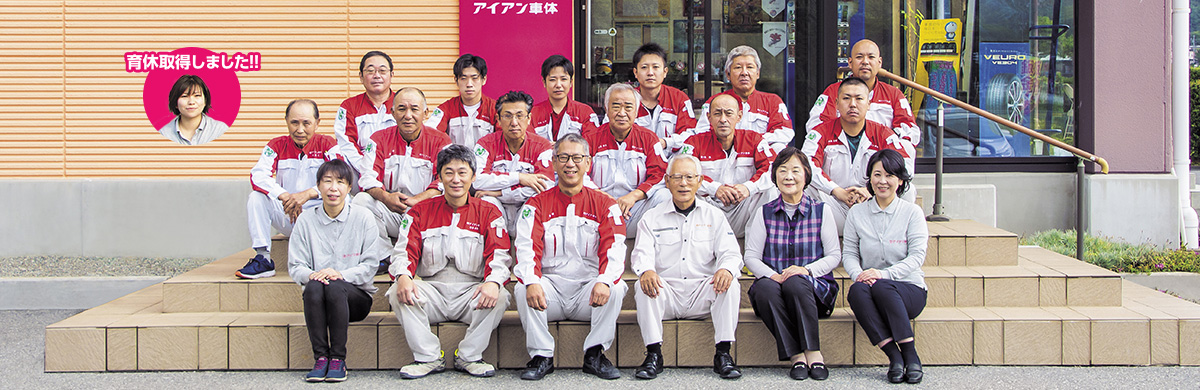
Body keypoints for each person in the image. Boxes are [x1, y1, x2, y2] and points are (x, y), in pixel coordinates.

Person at [387, 145, 513, 379]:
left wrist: (493, 282)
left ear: (473, 177)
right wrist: (403, 276)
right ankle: (428, 357)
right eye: (449, 172)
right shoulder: (419, 212)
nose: (456, 179)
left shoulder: (488, 212)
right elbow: (404, 250)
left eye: (462, 173)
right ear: (439, 177)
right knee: (397, 290)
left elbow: (500, 254)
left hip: (470, 291)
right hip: (432, 289)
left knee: (501, 295)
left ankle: (469, 356)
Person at [512, 133, 628, 381]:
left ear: (588, 163)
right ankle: (542, 356)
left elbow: (615, 248)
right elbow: (526, 247)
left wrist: (604, 281)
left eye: (577, 157)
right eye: (563, 157)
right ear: (553, 162)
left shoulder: (605, 204)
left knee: (617, 287)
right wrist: (532, 281)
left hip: (589, 292)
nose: (570, 164)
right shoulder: (535, 204)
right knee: (524, 287)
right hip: (550, 292)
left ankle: (595, 355)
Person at [629, 154, 744, 380]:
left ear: (700, 181)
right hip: (666, 292)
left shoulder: (714, 215)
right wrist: (647, 270)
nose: (683, 183)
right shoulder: (651, 217)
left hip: (702, 290)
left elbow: (731, 253)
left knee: (731, 283)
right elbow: (641, 253)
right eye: (678, 177)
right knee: (643, 284)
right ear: (667, 180)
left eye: (690, 177)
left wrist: (725, 269)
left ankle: (723, 354)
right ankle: (653, 354)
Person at [743, 147, 840, 381]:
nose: (789, 176)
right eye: (783, 170)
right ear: (775, 176)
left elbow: (834, 256)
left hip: (814, 292)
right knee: (764, 287)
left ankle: (813, 353)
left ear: (806, 175)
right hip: (775, 292)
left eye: (795, 170)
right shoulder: (763, 213)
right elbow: (751, 257)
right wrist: (773, 276)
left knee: (797, 282)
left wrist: (806, 271)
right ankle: (796, 355)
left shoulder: (821, 211)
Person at [288, 159, 387, 383]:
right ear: (319, 186)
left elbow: (371, 265)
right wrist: (311, 274)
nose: (334, 188)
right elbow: (296, 266)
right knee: (314, 286)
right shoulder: (305, 220)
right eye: (328, 181)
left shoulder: (363, 217)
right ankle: (321, 358)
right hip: (319, 295)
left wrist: (341, 275)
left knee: (333, 286)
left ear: (349, 187)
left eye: (340, 182)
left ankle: (338, 359)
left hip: (356, 299)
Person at [842, 149, 928, 385]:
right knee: (857, 291)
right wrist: (859, 275)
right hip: (871, 287)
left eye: (889, 175)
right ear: (869, 178)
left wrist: (882, 274)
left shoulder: (912, 213)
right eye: (877, 174)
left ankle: (911, 355)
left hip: (909, 290)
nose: (882, 181)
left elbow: (917, 257)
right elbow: (849, 253)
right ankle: (895, 357)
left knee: (882, 287)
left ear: (900, 180)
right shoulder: (857, 213)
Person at [239, 99, 341, 279]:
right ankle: (263, 259)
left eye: (306, 123)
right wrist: (284, 196)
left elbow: (339, 176)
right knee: (256, 197)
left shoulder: (328, 144)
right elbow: (258, 175)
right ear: (286, 121)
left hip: (319, 215)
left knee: (346, 198)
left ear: (317, 123)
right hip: (289, 213)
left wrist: (308, 194)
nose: (300, 129)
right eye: (294, 122)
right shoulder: (276, 145)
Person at [352, 87, 451, 270]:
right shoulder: (379, 139)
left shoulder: (441, 141)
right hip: (392, 209)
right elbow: (367, 178)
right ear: (392, 112)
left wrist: (417, 200)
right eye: (402, 109)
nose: (408, 115)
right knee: (361, 200)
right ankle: (386, 256)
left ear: (425, 113)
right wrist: (386, 198)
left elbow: (445, 181)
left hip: (426, 212)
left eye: (414, 109)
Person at [801, 77, 912, 232]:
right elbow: (807, 165)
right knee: (805, 184)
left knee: (908, 188)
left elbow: (905, 164)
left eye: (859, 99)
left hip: (872, 204)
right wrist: (836, 191)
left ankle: (895, 237)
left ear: (868, 104)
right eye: (846, 98)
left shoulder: (882, 133)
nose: (853, 104)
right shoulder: (821, 132)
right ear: (837, 104)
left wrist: (871, 189)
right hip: (834, 205)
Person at [678, 93, 776, 237]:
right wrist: (715, 188)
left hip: (742, 207)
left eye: (729, 114)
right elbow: (683, 173)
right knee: (680, 188)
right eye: (717, 114)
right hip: (708, 209)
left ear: (739, 116)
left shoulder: (754, 139)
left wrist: (748, 188)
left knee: (770, 190)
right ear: (709, 117)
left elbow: (773, 169)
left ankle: (757, 247)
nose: (723, 119)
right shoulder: (694, 142)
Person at [804, 39, 919, 156]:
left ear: (879, 62)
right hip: (841, 152)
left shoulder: (893, 94)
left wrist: (886, 138)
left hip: (882, 155)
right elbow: (816, 126)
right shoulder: (833, 91)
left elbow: (910, 129)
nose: (865, 62)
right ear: (850, 62)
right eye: (859, 57)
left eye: (871, 57)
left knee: (907, 148)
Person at [584, 83, 670, 237]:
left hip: (634, 208)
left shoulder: (648, 138)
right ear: (606, 109)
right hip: (598, 207)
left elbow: (660, 174)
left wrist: (634, 196)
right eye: (616, 106)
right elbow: (580, 174)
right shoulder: (591, 138)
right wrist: (601, 197)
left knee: (665, 197)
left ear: (636, 111)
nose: (622, 113)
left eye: (628, 107)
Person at [472, 90, 555, 233]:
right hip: (496, 207)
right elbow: (476, 180)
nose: (514, 122)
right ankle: (496, 251)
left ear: (529, 118)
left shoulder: (542, 146)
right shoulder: (485, 144)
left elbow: (546, 185)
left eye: (519, 116)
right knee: (485, 200)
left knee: (537, 199)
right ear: (498, 119)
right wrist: (519, 177)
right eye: (508, 116)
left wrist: (500, 192)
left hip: (525, 207)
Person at [694, 46, 793, 151]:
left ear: (758, 73)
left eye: (750, 67)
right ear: (728, 74)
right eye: (738, 67)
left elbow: (784, 133)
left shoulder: (772, 101)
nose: (744, 73)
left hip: (761, 158)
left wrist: (750, 141)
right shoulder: (715, 102)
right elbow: (702, 133)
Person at [334, 51, 396, 178]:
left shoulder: (403, 104)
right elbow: (345, 143)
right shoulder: (349, 106)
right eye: (370, 71)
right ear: (361, 77)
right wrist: (366, 168)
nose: (377, 76)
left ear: (391, 75)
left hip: (396, 168)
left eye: (382, 71)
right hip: (360, 172)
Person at [629, 43, 697, 154]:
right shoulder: (626, 99)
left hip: (672, 165)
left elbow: (690, 134)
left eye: (655, 67)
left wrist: (666, 143)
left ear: (665, 72)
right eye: (644, 67)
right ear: (635, 73)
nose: (650, 73)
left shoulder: (679, 98)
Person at [426, 54, 498, 147]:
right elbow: (429, 133)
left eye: (474, 78)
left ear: (483, 79)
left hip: (486, 160)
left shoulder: (494, 109)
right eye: (463, 78)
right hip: (454, 160)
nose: (469, 84)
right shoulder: (446, 108)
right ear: (456, 80)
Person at [531, 55, 599, 141]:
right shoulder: (532, 114)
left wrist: (561, 149)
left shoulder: (585, 113)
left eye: (563, 79)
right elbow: (529, 146)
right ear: (544, 82)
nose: (558, 85)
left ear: (571, 82)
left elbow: (591, 144)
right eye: (552, 80)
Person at [157, 74, 229, 145]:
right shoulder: (164, 133)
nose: (191, 102)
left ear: (205, 100)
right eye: (184, 96)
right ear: (175, 102)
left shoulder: (220, 130)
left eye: (197, 95)